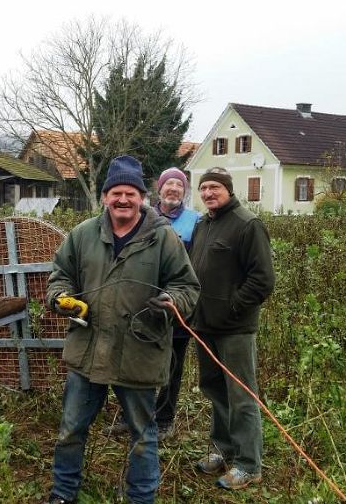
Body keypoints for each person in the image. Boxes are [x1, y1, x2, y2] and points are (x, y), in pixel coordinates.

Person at [45, 156, 200, 504]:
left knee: (143, 435)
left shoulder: (164, 238)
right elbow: (60, 276)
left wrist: (172, 301)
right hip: (89, 350)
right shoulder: (83, 234)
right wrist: (60, 297)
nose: (123, 200)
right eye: (116, 192)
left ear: (142, 197)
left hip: (139, 352)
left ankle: (142, 498)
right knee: (71, 430)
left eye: (130, 192)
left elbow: (187, 286)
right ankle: (63, 493)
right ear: (104, 196)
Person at [189, 168, 274, 490]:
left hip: (235, 329)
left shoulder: (247, 224)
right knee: (214, 390)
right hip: (204, 326)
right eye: (204, 188)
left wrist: (232, 306)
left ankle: (249, 464)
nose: (209, 193)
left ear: (228, 189)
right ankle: (223, 450)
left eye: (215, 187)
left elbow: (263, 279)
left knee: (241, 396)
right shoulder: (203, 224)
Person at [107, 167, 200, 441]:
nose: (173, 189)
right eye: (168, 184)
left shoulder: (196, 222)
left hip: (176, 308)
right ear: (159, 190)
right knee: (128, 360)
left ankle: (164, 419)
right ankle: (128, 415)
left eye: (179, 185)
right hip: (139, 305)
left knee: (172, 365)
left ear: (184, 191)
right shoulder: (141, 217)